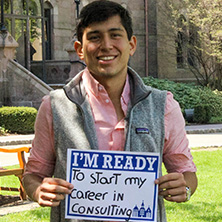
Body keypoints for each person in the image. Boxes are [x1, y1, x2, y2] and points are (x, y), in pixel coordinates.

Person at [23, 1, 198, 222]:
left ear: (131, 44)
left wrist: (185, 187)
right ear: (80, 49)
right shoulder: (55, 106)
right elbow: (33, 175)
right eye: (95, 37)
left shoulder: (163, 106)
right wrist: (38, 190)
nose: (106, 45)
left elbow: (187, 173)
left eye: (115, 35)